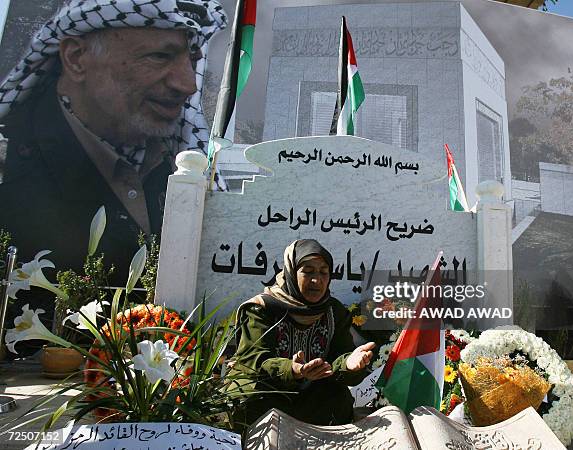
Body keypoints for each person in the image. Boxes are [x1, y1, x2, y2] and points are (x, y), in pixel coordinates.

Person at [0, 0, 227, 277]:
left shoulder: (176, 160)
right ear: (76, 58)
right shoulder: (11, 170)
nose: (188, 84)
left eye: (191, 61)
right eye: (160, 56)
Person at [229, 239, 375, 431]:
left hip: (310, 396)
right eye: (308, 271)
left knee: (337, 398)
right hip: (268, 392)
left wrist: (349, 365)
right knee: (250, 398)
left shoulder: (333, 311)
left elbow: (337, 359)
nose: (317, 280)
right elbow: (253, 359)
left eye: (324, 272)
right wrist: (293, 369)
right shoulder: (262, 309)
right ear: (291, 272)